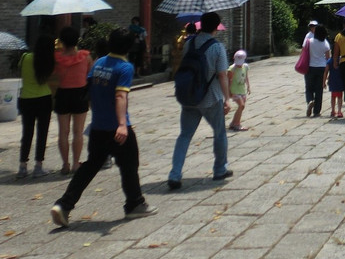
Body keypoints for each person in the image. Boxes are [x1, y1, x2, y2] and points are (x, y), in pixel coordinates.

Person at [50, 28, 155, 227]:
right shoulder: (125, 68)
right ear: (129, 47)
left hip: (98, 127)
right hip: (117, 128)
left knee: (89, 167)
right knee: (130, 164)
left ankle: (64, 205)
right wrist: (122, 124)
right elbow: (120, 95)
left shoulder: (98, 63)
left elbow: (89, 89)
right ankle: (134, 204)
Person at [167, 12, 231, 189]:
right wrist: (227, 98)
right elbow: (222, 75)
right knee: (219, 133)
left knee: (184, 135)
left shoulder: (189, 43)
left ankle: (175, 174)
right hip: (210, 98)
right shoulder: (217, 47)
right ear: (217, 27)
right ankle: (219, 169)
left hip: (189, 97)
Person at [53, 26, 92, 174]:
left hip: (63, 94)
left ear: (62, 41)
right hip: (80, 94)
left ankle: (65, 164)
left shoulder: (57, 58)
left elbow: (53, 74)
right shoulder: (85, 56)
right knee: (78, 131)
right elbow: (90, 74)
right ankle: (76, 163)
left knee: (63, 132)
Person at [17, 33, 56, 178]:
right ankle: (38, 165)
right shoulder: (49, 61)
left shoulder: (25, 57)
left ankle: (22, 166)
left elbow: (20, 71)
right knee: (42, 132)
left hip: (26, 98)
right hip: (44, 98)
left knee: (27, 133)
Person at [305, 24, 331, 117]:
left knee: (309, 88)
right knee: (319, 89)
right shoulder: (325, 43)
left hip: (310, 67)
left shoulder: (309, 42)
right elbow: (328, 58)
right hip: (321, 68)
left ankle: (310, 100)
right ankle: (316, 111)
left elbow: (303, 53)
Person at [227, 50, 250, 131]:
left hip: (242, 89)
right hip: (234, 90)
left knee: (242, 107)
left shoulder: (246, 67)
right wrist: (228, 92)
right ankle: (237, 124)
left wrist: (248, 86)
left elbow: (246, 77)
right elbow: (228, 80)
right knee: (241, 105)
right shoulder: (231, 69)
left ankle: (233, 123)